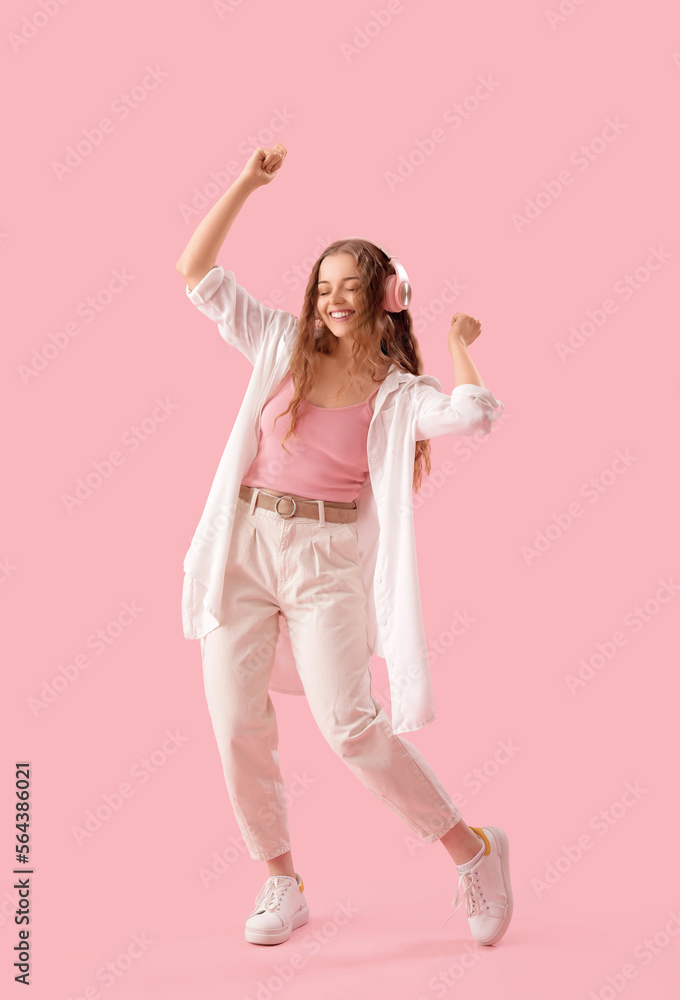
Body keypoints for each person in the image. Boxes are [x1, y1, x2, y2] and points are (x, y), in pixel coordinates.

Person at [176, 142, 512, 948]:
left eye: (350, 289)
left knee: (351, 724)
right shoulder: (276, 344)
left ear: (382, 299)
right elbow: (196, 272)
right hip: (245, 545)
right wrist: (247, 185)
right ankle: (280, 879)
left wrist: (461, 340)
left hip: (323, 561)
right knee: (233, 720)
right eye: (322, 288)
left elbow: (473, 413)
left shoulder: (396, 396)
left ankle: (473, 853)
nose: (332, 302)